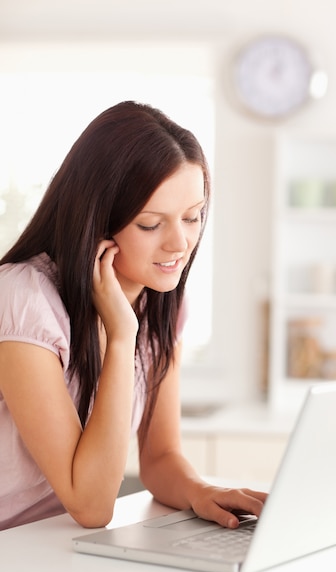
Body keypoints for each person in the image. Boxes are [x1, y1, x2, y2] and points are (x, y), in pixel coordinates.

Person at [0, 101, 267, 531]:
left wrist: (200, 491)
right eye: (150, 224)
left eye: (193, 217)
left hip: (51, 551)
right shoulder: (24, 301)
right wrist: (121, 337)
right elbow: (91, 506)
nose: (180, 243)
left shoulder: (164, 303)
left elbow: (159, 457)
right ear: (99, 221)